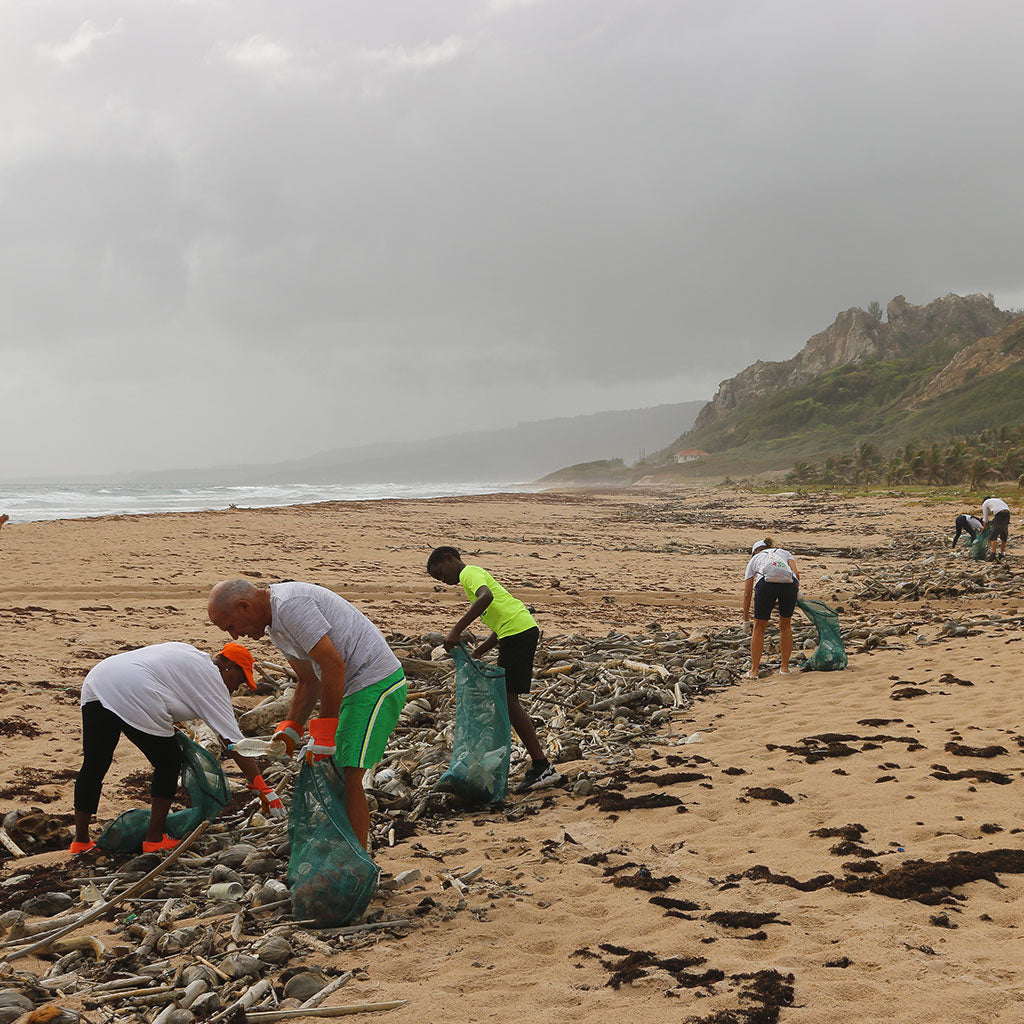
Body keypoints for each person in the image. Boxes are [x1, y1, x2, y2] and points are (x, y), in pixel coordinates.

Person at [207, 579, 407, 851]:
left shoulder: (290, 606)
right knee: (334, 774)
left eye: (230, 627)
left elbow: (333, 666)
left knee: (349, 774)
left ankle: (357, 859)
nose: (234, 636)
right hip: (353, 689)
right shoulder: (276, 627)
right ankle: (343, 848)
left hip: (375, 683)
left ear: (244, 606)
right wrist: (290, 730)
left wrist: (323, 735)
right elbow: (308, 680)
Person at [73, 641, 283, 855]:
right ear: (229, 666)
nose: (237, 688)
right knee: (169, 762)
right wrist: (262, 787)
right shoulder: (213, 681)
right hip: (135, 689)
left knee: (95, 764)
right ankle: (154, 839)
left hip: (99, 680)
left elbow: (165, 684)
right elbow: (234, 743)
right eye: (240, 679)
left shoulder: (188, 653)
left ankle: (80, 841)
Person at [426, 546, 562, 793]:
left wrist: (456, 629)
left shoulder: (470, 573)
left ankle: (542, 765)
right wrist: (481, 651)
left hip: (519, 633)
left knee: (508, 700)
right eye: (437, 580)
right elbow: (501, 622)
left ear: (450, 558)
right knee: (507, 700)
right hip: (516, 631)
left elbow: (486, 597)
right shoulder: (470, 582)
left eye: (440, 573)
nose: (443, 581)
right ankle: (538, 763)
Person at [741, 538, 800, 679]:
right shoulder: (784, 553)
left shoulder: (755, 559)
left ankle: (754, 671)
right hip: (789, 584)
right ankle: (785, 668)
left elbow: (747, 593)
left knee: (759, 628)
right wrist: (796, 591)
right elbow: (796, 574)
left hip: (766, 585)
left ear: (755, 551)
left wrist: (746, 620)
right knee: (785, 625)